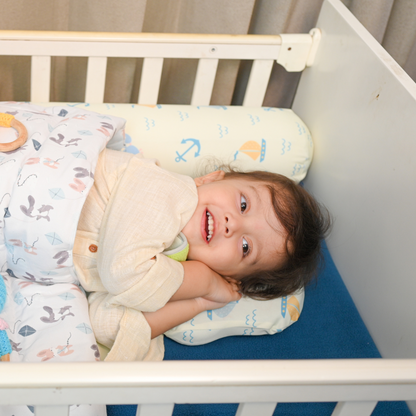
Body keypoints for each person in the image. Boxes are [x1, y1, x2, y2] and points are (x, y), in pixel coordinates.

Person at [73, 148, 330, 361]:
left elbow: (99, 326)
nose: (234, 224)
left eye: (245, 247)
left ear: (229, 274)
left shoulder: (164, 271)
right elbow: (123, 273)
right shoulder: (162, 186)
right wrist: (204, 283)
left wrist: (199, 302)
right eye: (243, 204)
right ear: (212, 178)